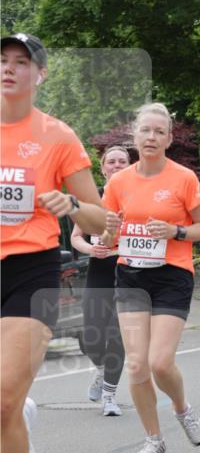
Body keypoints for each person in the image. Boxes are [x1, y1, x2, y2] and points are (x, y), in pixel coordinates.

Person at [1, 33, 107, 453]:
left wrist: (68, 203)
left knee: (1, 399)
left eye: (21, 62)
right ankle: (22, 412)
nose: (9, 69)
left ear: (39, 75)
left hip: (29, 269)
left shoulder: (57, 136)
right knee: (7, 401)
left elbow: (102, 217)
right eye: (2, 61)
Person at [103, 103, 200, 453]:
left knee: (160, 363)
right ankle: (154, 439)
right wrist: (110, 232)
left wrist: (175, 230)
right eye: (145, 130)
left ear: (168, 139)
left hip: (171, 275)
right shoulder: (118, 182)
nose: (151, 137)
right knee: (136, 365)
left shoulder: (183, 178)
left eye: (159, 132)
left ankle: (182, 409)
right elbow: (106, 239)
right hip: (131, 275)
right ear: (134, 135)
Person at [71, 145, 131, 415]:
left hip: (128, 270)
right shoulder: (92, 198)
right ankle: (101, 369)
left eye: (122, 162)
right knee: (90, 336)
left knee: (116, 334)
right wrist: (90, 249)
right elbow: (76, 238)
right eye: (112, 162)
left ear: (130, 166)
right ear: (103, 167)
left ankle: (109, 395)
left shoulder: (138, 195)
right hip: (99, 269)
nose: (117, 166)